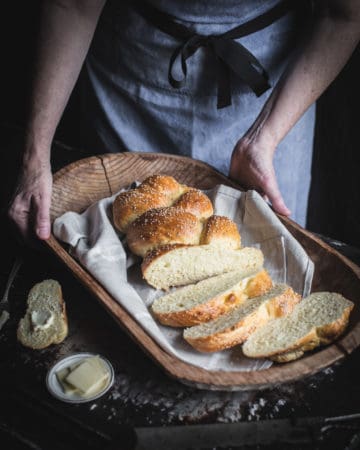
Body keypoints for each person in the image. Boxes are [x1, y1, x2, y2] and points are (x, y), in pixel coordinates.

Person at [8, 0, 360, 242]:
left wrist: (263, 138)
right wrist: (35, 155)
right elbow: (73, 4)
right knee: (113, 241)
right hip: (135, 72)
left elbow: (344, 13)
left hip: (274, 94)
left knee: (262, 250)